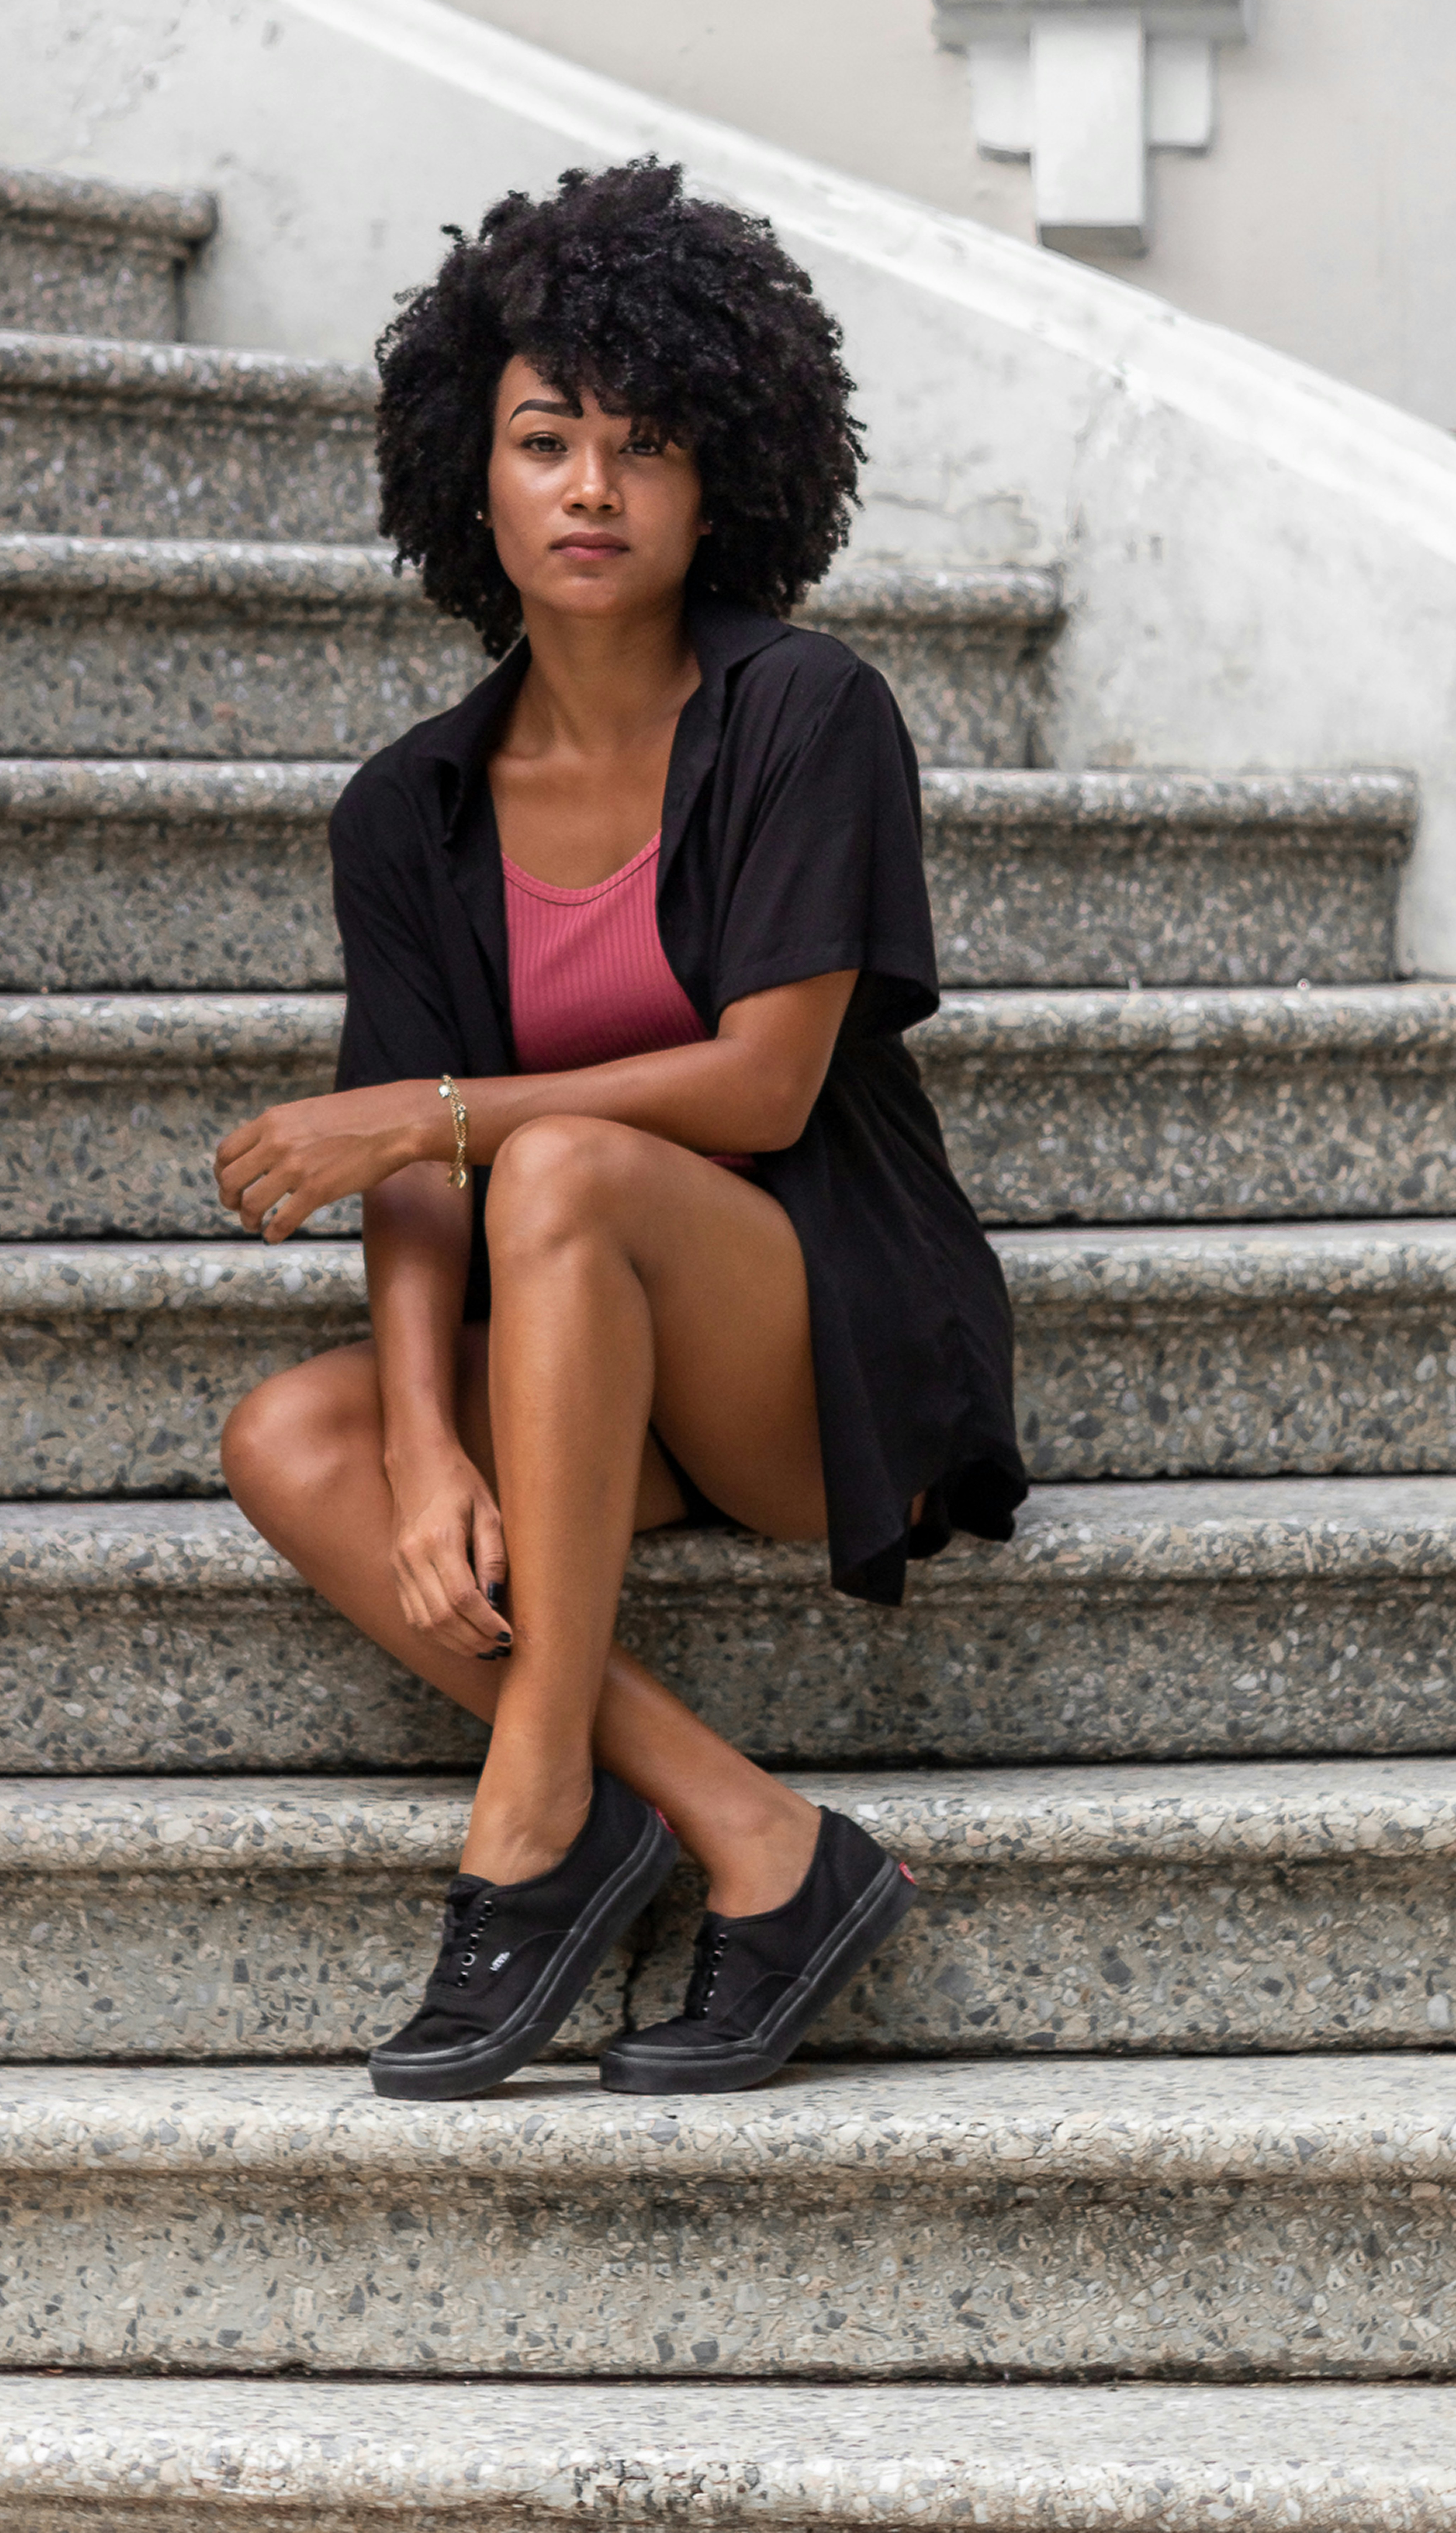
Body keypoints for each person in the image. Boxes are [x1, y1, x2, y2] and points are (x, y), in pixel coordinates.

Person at [215, 160, 1025, 2102]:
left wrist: (436, 1112)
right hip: (594, 1358)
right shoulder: (409, 807)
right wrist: (427, 1444)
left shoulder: (807, 712)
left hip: (821, 1348)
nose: (593, 488)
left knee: (558, 1162)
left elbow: (762, 1085)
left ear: (721, 479)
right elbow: (423, 1186)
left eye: (646, 445)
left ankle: (533, 1819)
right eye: (547, 440)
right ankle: (755, 1833)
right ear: (473, 473)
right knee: (293, 1438)